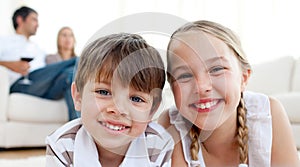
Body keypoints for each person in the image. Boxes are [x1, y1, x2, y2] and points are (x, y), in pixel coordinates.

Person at [158, 20, 300, 166]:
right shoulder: (171, 125)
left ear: (243, 78)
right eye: (184, 76)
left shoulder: (268, 114)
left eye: (216, 69)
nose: (201, 87)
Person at [45, 33, 174, 167]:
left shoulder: (158, 145)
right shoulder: (62, 145)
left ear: (152, 109)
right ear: (78, 97)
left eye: (136, 99)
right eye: (104, 92)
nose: (118, 109)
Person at [0, 6, 78, 120]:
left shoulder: (38, 49)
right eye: (34, 19)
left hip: (44, 87)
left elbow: (48, 72)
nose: (37, 24)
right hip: (22, 84)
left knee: (69, 74)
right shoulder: (4, 41)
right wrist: (11, 65)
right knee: (76, 61)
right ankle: (82, 60)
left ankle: (76, 130)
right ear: (20, 20)